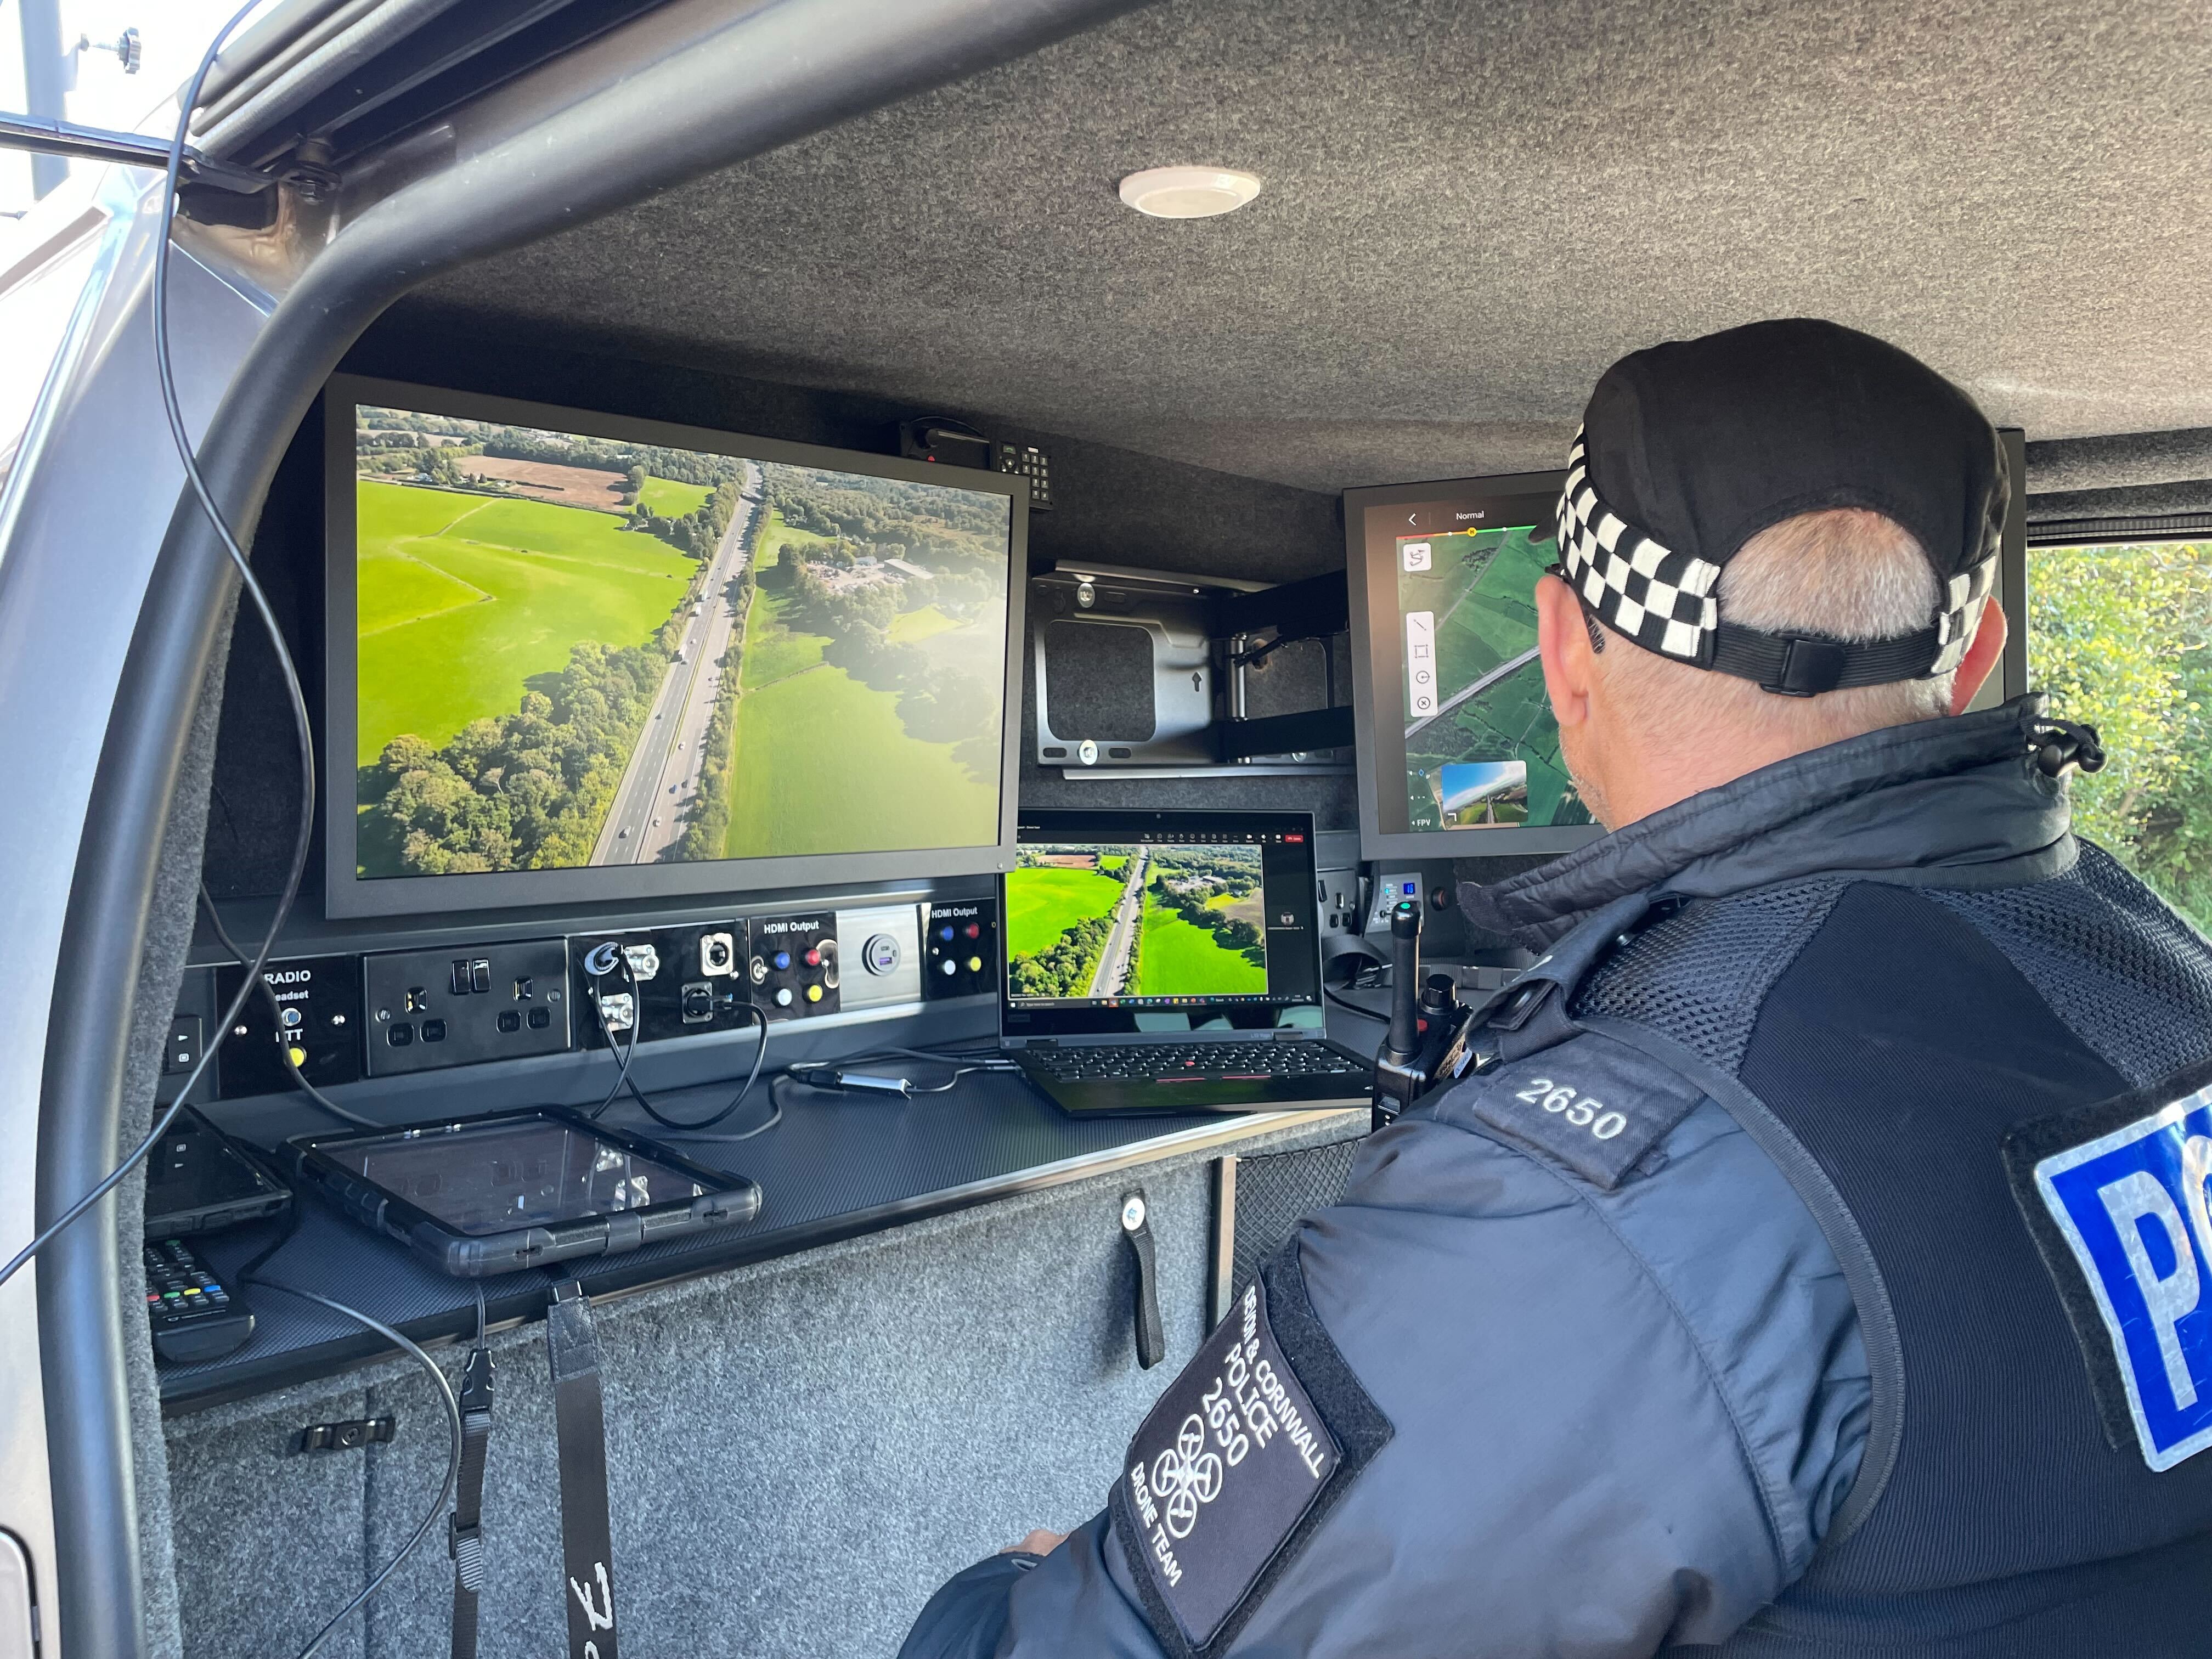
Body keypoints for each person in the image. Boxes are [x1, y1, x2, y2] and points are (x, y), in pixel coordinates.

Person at [899, 319, 2212, 1658]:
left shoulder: (1604, 1198)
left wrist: (1010, 1596)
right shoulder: (2161, 971)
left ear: (1563, 651)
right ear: (1980, 646)